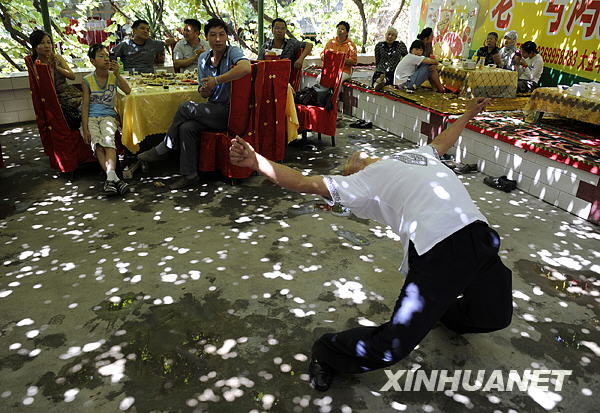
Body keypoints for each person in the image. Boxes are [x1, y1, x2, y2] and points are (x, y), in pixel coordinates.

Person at [229, 97, 512, 392]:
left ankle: (441, 312)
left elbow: (442, 141)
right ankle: (327, 352)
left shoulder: (413, 155)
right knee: (392, 347)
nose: (356, 157)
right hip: (439, 248)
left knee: (496, 315)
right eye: (349, 165)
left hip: (479, 235)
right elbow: (303, 182)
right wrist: (256, 161)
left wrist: (468, 113)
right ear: (350, 177)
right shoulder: (363, 182)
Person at [136, 18, 251, 190]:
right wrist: (205, 90)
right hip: (213, 109)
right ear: (206, 37)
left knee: (185, 107)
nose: (218, 39)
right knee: (186, 127)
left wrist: (216, 80)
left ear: (227, 36)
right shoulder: (204, 58)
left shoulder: (233, 52)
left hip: (230, 112)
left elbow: (246, 68)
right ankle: (190, 175)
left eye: (222, 34)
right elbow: (203, 91)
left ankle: (165, 147)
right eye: (213, 35)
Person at [82, 44, 132, 195]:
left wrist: (117, 74)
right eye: (101, 56)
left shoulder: (112, 77)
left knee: (109, 142)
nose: (106, 59)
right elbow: (85, 105)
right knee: (97, 144)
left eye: (107, 56)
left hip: (109, 116)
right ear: (92, 61)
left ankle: (110, 180)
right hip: (91, 117)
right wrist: (85, 128)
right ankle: (115, 179)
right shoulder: (87, 80)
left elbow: (127, 90)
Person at [29, 30, 82, 129]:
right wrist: (49, 68)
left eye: (49, 42)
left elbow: (72, 76)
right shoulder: (36, 64)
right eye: (42, 43)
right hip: (54, 98)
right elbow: (49, 87)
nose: (47, 46)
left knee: (89, 103)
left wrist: (58, 68)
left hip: (68, 92)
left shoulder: (57, 58)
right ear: (35, 46)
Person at [415, 27, 445, 92]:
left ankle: (436, 88)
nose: (433, 37)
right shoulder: (418, 44)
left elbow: (430, 56)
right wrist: (433, 63)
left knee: (432, 68)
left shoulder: (429, 44)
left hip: (425, 63)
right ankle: (440, 88)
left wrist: (433, 63)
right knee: (432, 69)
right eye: (431, 35)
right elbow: (417, 59)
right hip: (416, 66)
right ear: (426, 38)